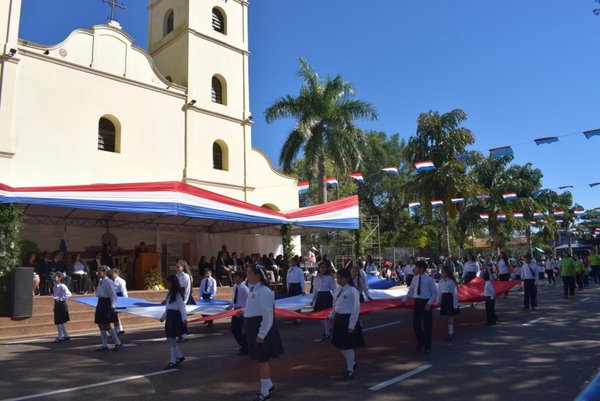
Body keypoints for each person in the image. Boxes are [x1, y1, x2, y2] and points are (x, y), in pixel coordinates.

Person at [242, 265, 283, 401]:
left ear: (257, 275)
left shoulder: (264, 291)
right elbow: (255, 308)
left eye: (249, 273)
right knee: (260, 359)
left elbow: (267, 314)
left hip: (260, 329)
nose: (247, 275)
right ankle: (268, 384)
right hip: (254, 327)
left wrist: (262, 333)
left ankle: (265, 391)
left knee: (262, 360)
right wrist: (243, 312)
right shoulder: (254, 289)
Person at [329, 267, 364, 381]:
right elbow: (335, 305)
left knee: (347, 346)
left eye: (341, 278)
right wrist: (331, 315)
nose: (338, 280)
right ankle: (352, 363)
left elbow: (355, 309)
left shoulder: (352, 291)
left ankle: (350, 369)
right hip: (339, 319)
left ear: (347, 278)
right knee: (340, 345)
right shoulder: (338, 289)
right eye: (337, 277)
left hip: (347, 320)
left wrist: (352, 325)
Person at [402, 260, 438, 355]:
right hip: (417, 303)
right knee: (416, 324)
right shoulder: (415, 278)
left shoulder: (429, 280)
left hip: (426, 303)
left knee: (427, 326)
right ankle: (421, 341)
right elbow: (411, 291)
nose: (415, 269)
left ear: (421, 268)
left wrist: (429, 303)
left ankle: (427, 346)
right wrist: (404, 300)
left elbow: (434, 293)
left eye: (416, 267)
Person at [160, 275, 187, 370]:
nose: (167, 285)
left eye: (168, 283)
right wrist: (163, 317)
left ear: (173, 283)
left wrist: (184, 319)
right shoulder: (169, 293)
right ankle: (179, 356)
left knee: (171, 339)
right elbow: (168, 307)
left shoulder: (177, 294)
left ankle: (173, 361)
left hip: (175, 317)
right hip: (170, 317)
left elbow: (182, 307)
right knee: (170, 339)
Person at [94, 266, 122, 351]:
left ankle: (118, 342)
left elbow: (113, 294)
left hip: (106, 303)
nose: (98, 273)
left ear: (104, 272)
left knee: (106, 325)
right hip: (101, 302)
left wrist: (113, 305)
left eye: (100, 271)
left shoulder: (108, 281)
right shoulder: (101, 281)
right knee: (100, 324)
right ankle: (104, 345)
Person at [312, 261, 337, 340]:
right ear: (319, 268)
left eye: (324, 267)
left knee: (326, 315)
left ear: (327, 269)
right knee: (319, 315)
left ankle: (328, 332)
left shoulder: (329, 277)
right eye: (321, 267)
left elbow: (334, 289)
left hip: (327, 297)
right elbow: (315, 289)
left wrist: (336, 298)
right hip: (320, 297)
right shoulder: (317, 277)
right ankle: (328, 329)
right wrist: (313, 299)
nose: (323, 269)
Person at [229, 271, 249, 355]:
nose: (234, 279)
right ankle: (243, 344)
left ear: (241, 278)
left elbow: (248, 302)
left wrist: (243, 311)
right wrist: (230, 306)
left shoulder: (244, 288)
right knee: (234, 329)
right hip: (235, 311)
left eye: (236, 277)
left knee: (241, 330)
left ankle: (245, 347)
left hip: (242, 312)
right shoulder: (235, 287)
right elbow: (234, 299)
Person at [437, 266, 459, 341]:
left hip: (450, 299)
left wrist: (455, 304)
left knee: (450, 317)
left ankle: (451, 332)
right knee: (447, 316)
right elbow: (439, 292)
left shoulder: (451, 281)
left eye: (443, 272)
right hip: (444, 299)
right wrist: (438, 301)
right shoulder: (441, 281)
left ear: (447, 273)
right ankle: (450, 331)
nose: (442, 273)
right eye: (441, 272)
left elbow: (455, 294)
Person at [52, 271, 71, 342]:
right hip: (57, 304)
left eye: (55, 277)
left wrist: (61, 299)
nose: (54, 278)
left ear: (59, 278)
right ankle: (66, 335)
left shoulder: (62, 286)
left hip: (61, 304)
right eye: (54, 277)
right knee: (60, 321)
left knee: (59, 321)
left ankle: (60, 336)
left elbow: (69, 294)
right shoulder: (54, 286)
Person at [112, 269, 128, 334]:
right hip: (113, 297)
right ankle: (119, 328)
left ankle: (118, 328)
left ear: (116, 273)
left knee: (115, 314)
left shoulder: (121, 281)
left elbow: (124, 291)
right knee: (115, 314)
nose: (112, 275)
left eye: (113, 274)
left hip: (119, 298)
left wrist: (125, 300)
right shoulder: (110, 280)